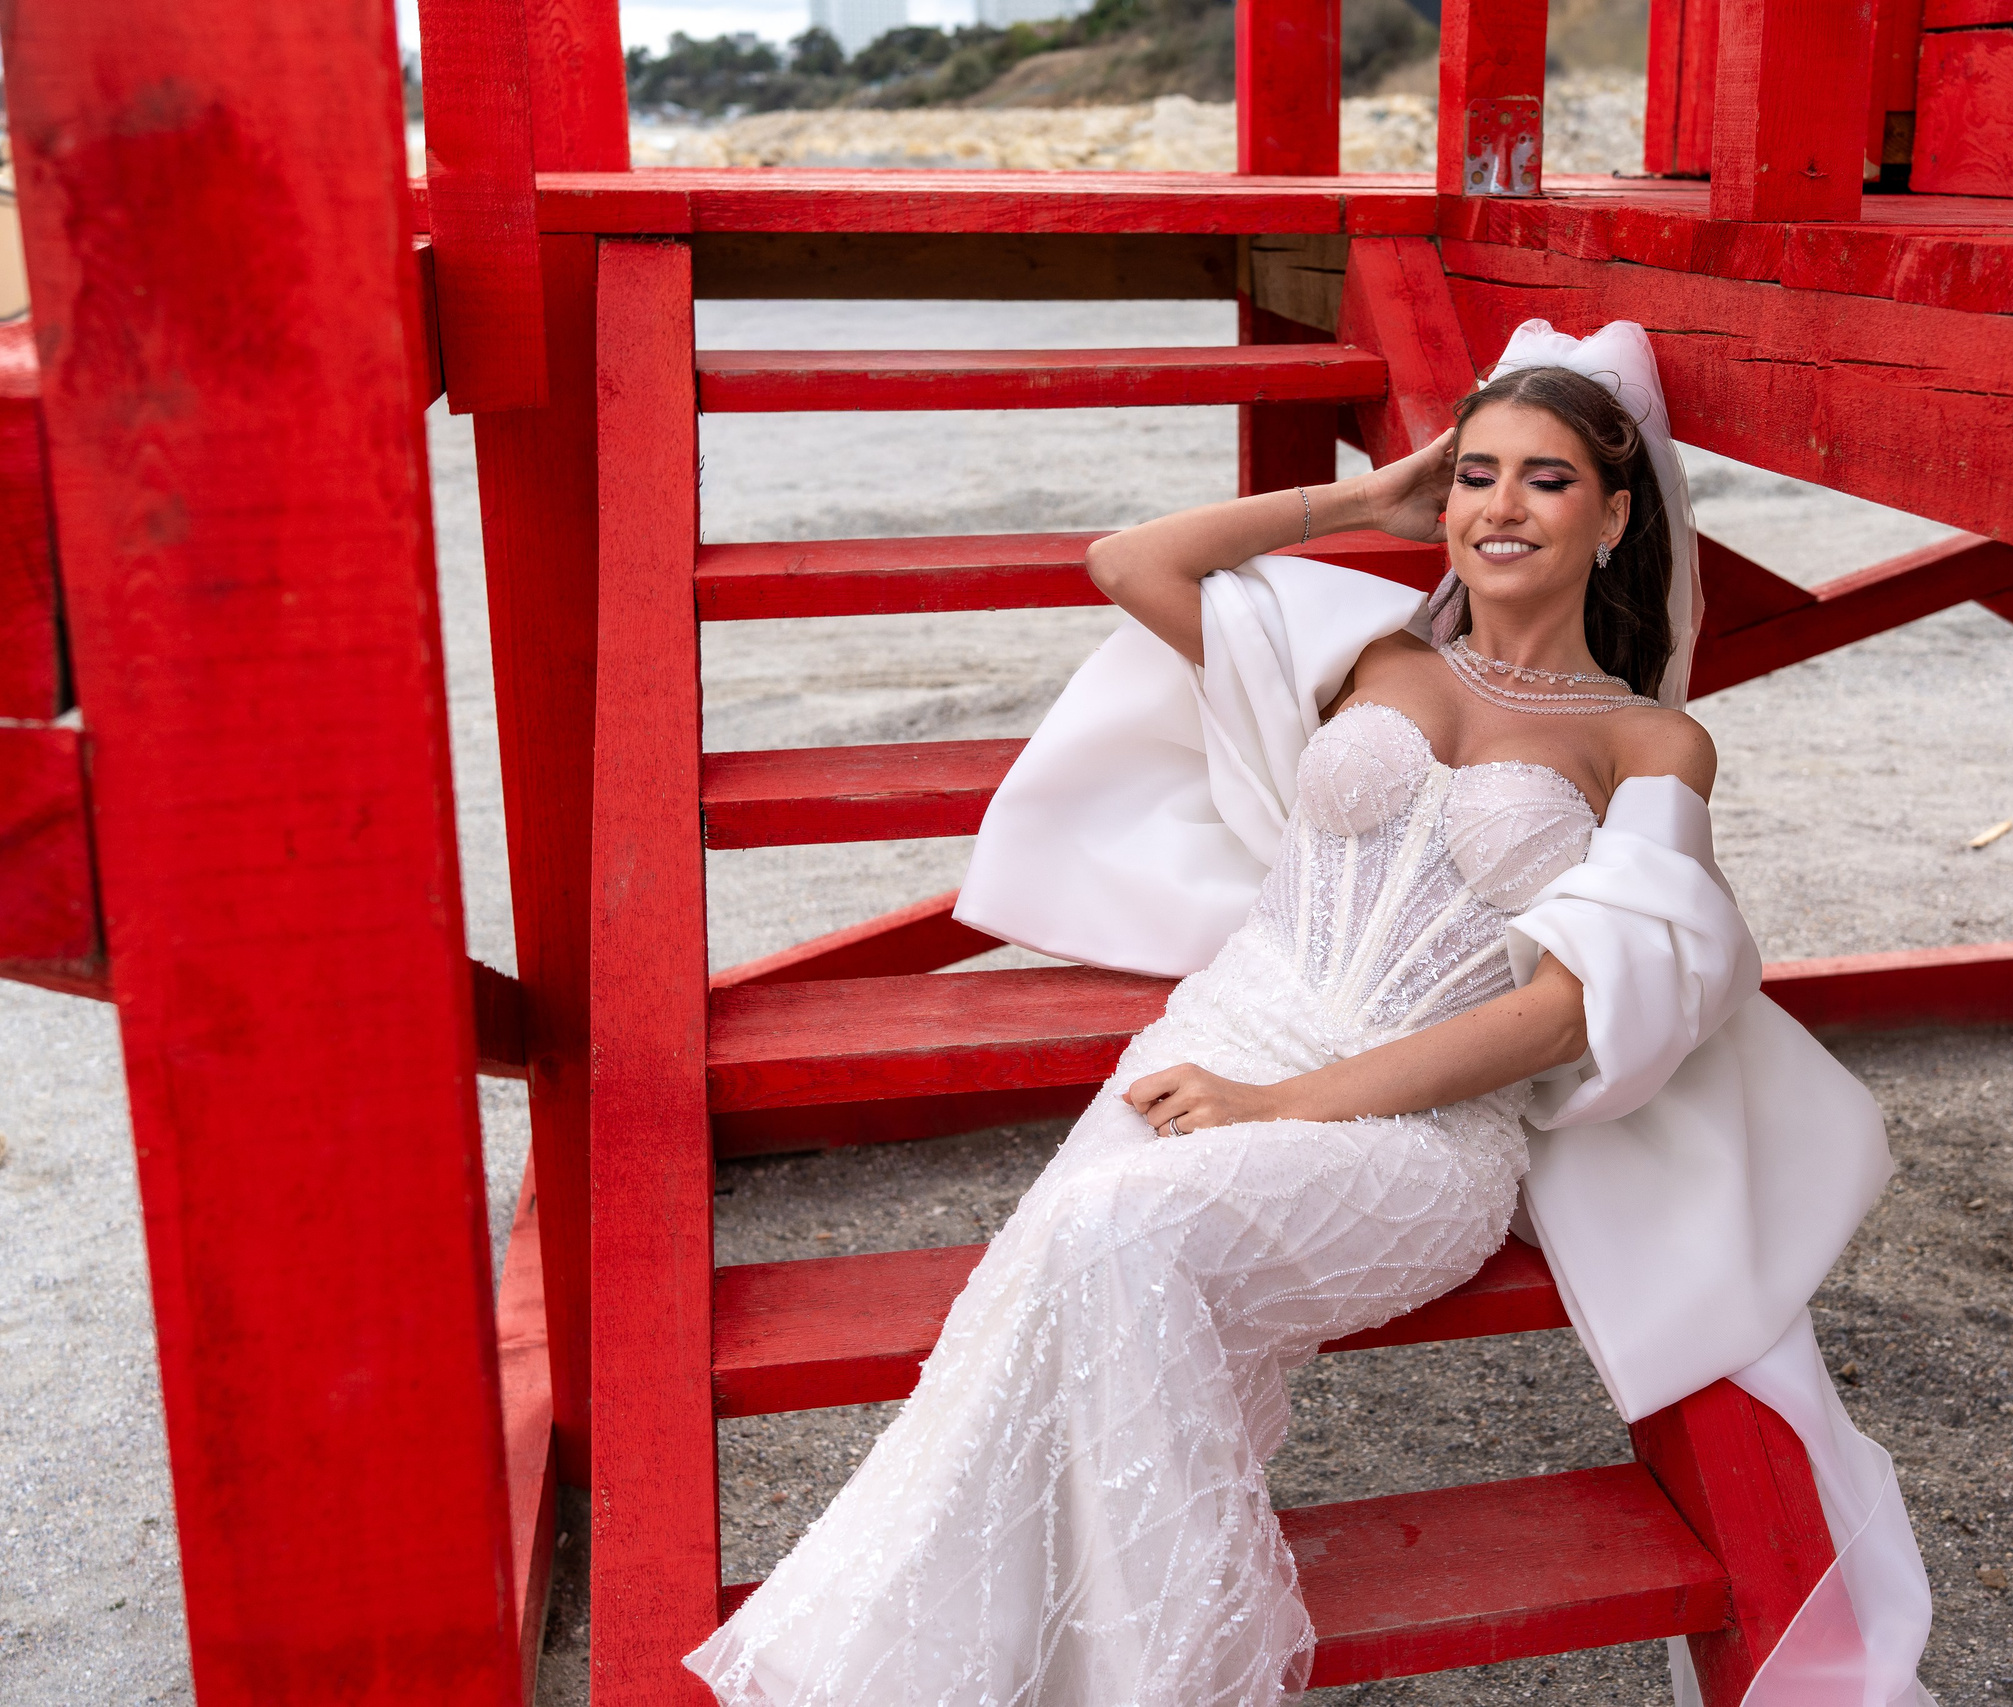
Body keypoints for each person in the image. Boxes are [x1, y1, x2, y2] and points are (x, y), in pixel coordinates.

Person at [684, 321, 1936, 1707]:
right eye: (1476, 476)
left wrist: (1279, 1108)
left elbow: (1564, 1017)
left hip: (1414, 1129)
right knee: (1041, 1296)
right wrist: (1365, 499)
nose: (1500, 507)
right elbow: (1130, 564)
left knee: (1114, 1230)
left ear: (1618, 513)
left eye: (1547, 480)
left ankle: (1183, 1680)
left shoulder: (1651, 743)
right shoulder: (1369, 654)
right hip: (1219, 1039)